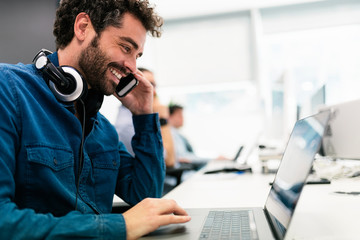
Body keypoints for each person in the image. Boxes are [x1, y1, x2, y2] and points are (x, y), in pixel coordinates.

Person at [0, 1, 190, 239]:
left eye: (137, 55)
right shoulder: (8, 90)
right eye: (125, 47)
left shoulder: (102, 130)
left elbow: (146, 199)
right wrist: (121, 226)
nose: (132, 66)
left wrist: (143, 115)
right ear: (82, 27)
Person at [115, 67, 176, 168]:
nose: (154, 92)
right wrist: (163, 120)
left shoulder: (141, 117)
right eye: (149, 84)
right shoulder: (128, 125)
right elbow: (169, 161)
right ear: (131, 87)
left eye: (154, 86)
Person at [168, 103, 208, 170]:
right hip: (183, 172)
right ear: (169, 117)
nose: (183, 119)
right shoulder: (170, 134)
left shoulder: (177, 134)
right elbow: (183, 157)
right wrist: (212, 159)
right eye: (179, 116)